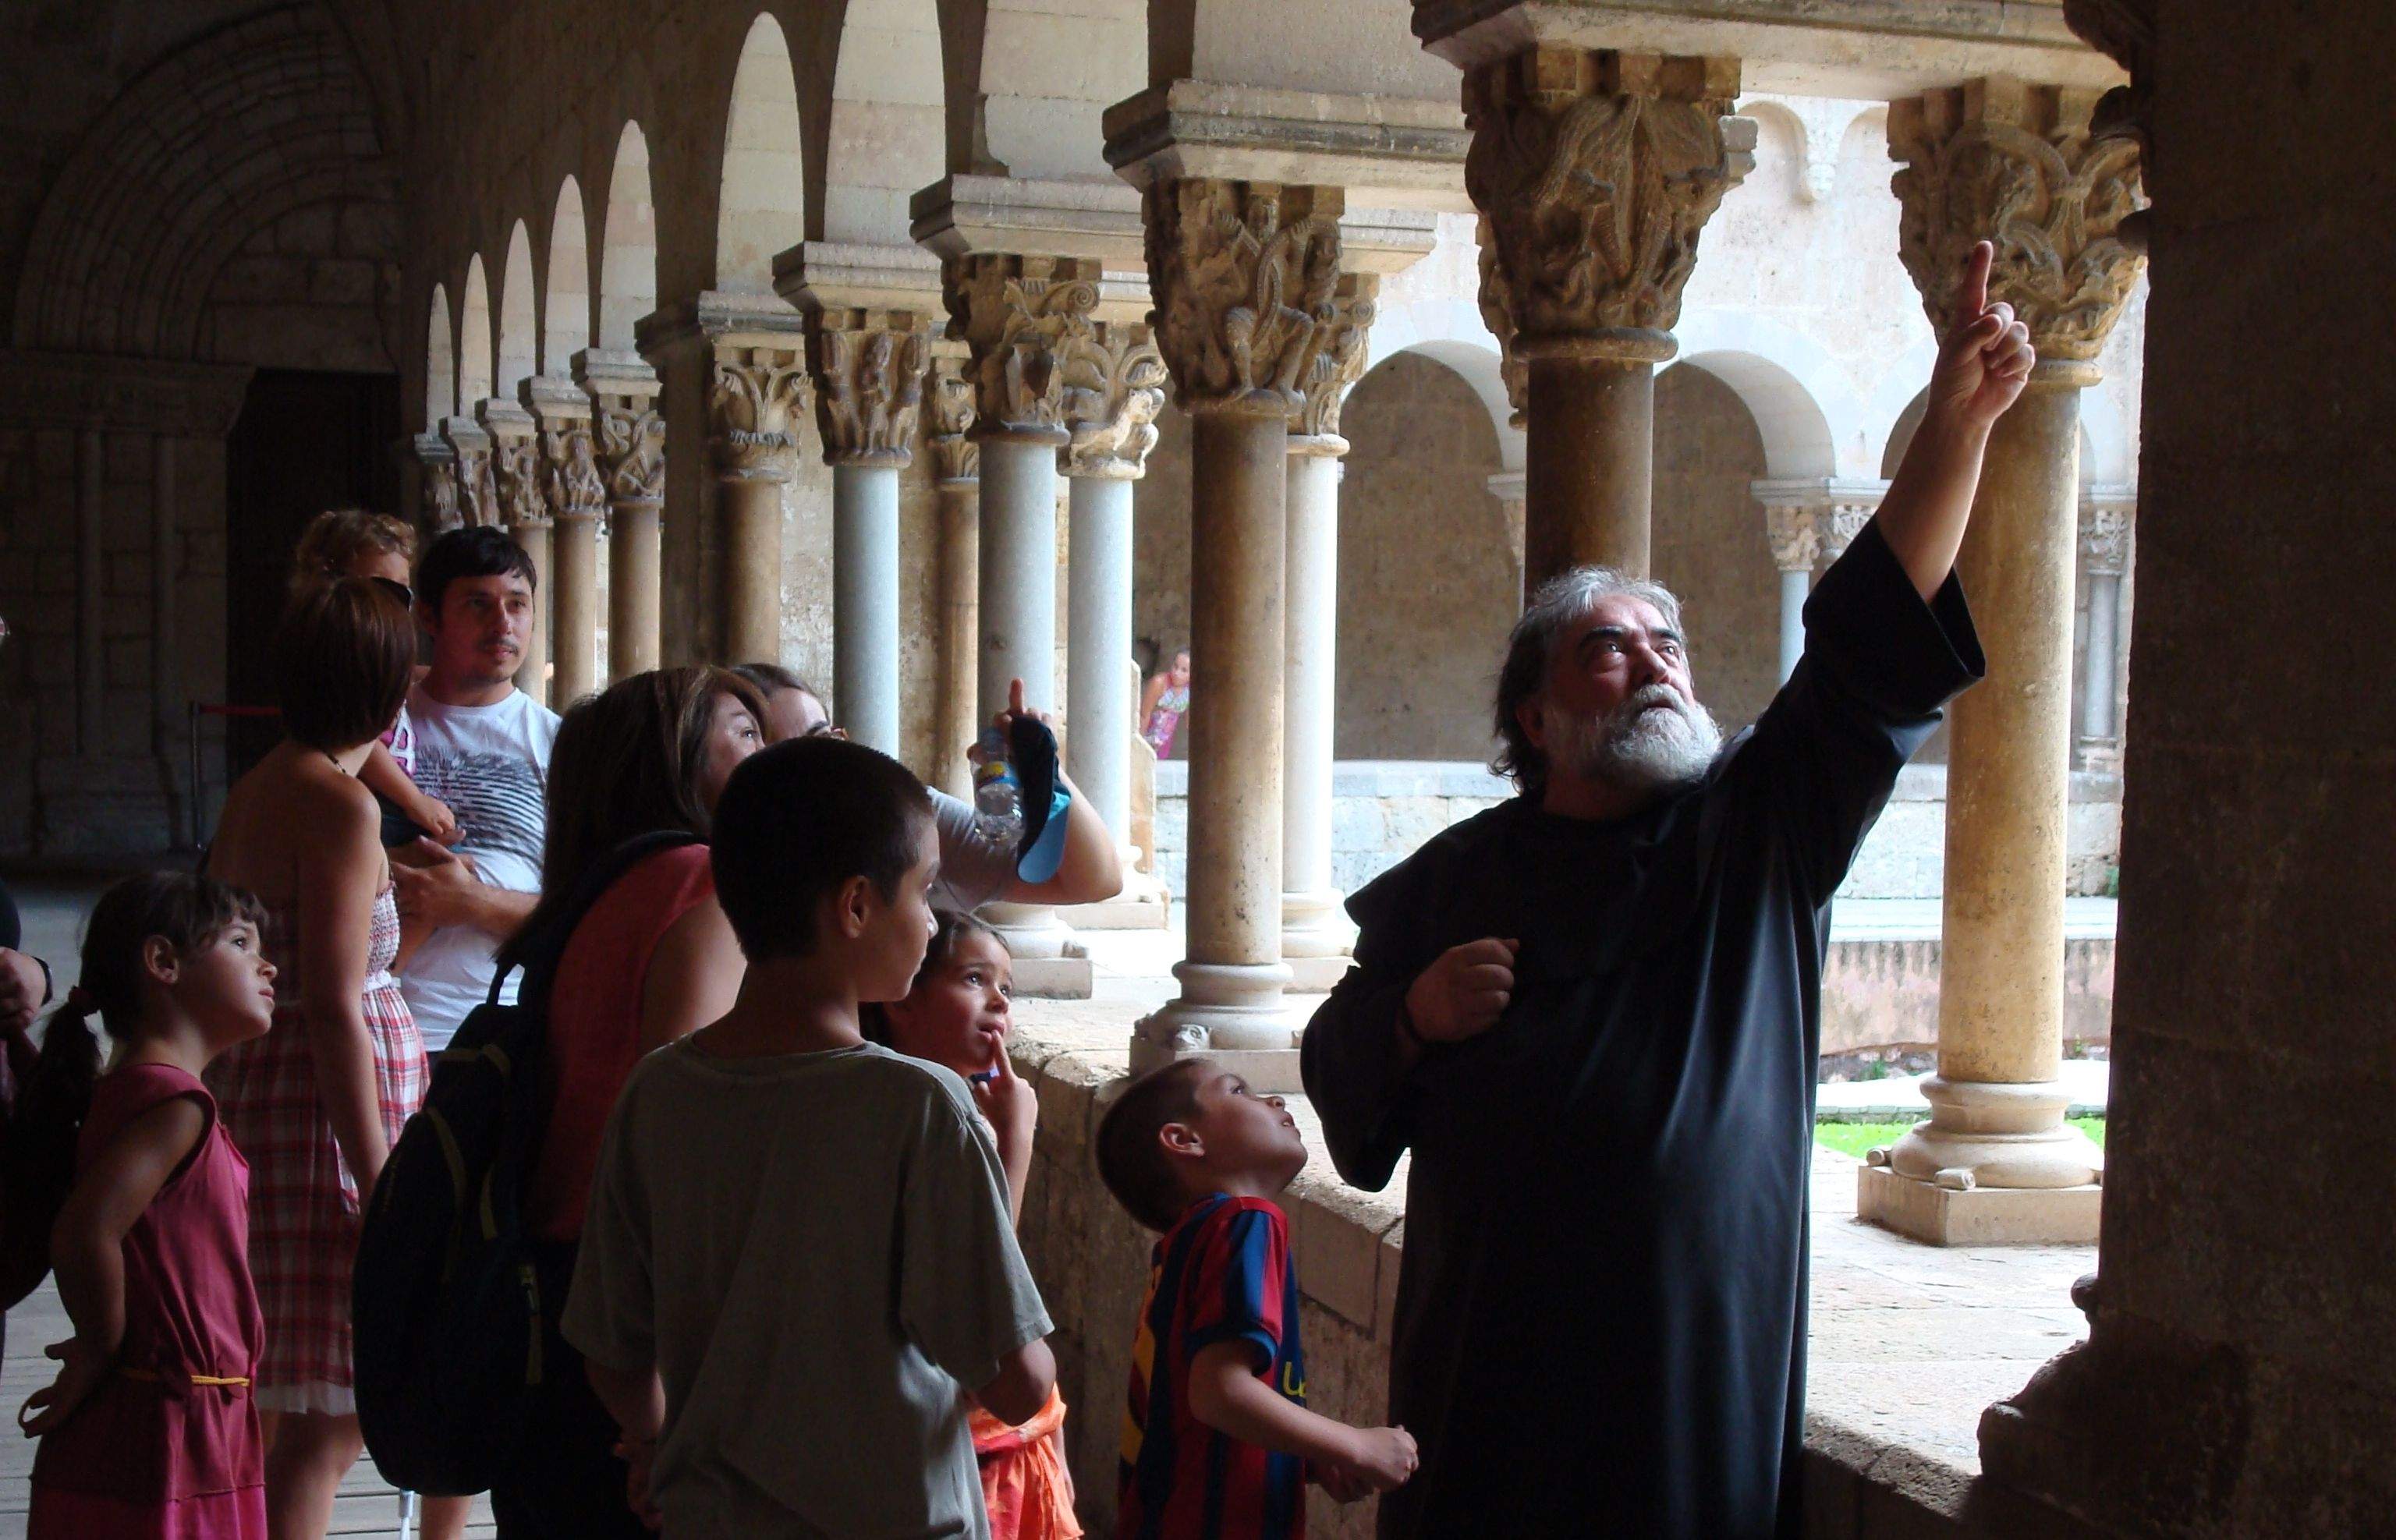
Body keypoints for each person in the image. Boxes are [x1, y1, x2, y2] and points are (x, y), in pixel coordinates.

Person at [1297, 243, 2032, 1538]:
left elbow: (1867, 649)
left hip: (1691, 1379)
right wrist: (1410, 1014)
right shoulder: (1456, 880)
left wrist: (1955, 426)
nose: (1651, 667)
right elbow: (1339, 1069)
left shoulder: (1759, 832)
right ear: (1533, 711)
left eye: (1668, 644)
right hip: (1490, 1376)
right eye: (1605, 650)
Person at [562, 738, 1056, 1537]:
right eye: (924, 890)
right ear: (857, 905)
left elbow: (613, 1351)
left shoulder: (658, 1089)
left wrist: (655, 1438)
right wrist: (1014, 1152)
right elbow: (1017, 1379)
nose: (931, 922)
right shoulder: (919, 1106)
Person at [488, 666, 767, 1538]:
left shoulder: (597, 888)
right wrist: (655, 1407)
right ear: (675, 763)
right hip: (626, 1310)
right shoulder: (701, 884)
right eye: (746, 733)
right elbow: (678, 1142)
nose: (771, 753)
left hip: (548, 1284)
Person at [203, 578, 429, 1537]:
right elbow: (335, 1002)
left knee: (284, 1406)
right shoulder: (338, 807)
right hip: (320, 1121)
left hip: (270, 1096)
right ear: (386, 690)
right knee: (325, 1418)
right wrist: (376, 1177)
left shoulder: (266, 783)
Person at [20, 871, 276, 1538]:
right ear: (163, 962)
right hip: (162, 1429)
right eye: (242, 942)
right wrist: (100, 1346)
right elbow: (86, 1232)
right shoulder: (172, 1104)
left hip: (180, 1418)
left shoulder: (145, 1093)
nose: (267, 962)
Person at [1094, 1058, 1418, 1537]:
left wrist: (1311, 1455)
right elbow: (1219, 1393)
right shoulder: (1246, 1220)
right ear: (1185, 1140)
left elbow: (1193, 1418)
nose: (1275, 1100)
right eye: (1239, 1091)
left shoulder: (1185, 1246)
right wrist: (1354, 1444)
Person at [867, 912, 1077, 1540]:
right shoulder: (939, 1118)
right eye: (974, 978)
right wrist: (1018, 1142)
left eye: (1006, 987)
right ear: (903, 999)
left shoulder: (920, 1102)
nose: (998, 1002)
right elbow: (984, 1285)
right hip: (961, 1431)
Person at [732, 664, 1123, 915]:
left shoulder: (906, 815)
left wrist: (1044, 769)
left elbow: (1095, 880)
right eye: (787, 755)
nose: (817, 766)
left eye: (823, 741)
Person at [392, 527, 559, 1057]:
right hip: (381, 1019)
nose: (503, 624)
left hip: (503, 1025)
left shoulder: (560, 744)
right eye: (478, 604)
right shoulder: (379, 729)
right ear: (428, 617)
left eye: (518, 604)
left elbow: (587, 915)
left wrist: (467, 901)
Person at [287, 510, 457, 847]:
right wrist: (413, 799)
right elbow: (361, 741)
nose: (394, 606)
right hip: (372, 797)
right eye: (380, 589)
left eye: (403, 592)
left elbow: (409, 676)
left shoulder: (376, 657)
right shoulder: (339, 655)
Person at [1139, 650, 1190, 759]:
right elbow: (1144, 714)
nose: (1177, 673)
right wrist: (1139, 743)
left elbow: (1189, 721)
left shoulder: (1190, 690)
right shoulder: (1159, 683)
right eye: (1175, 666)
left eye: (1184, 670)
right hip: (1148, 732)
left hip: (1165, 739)